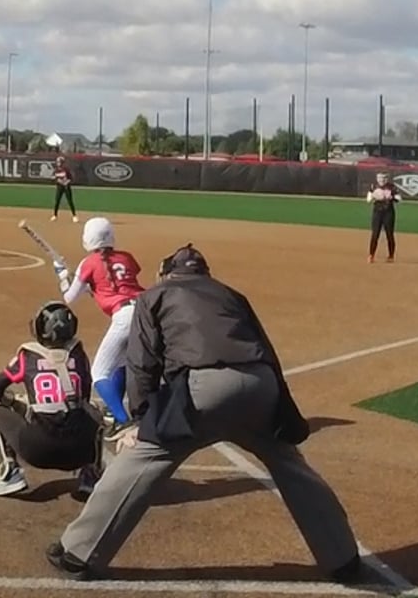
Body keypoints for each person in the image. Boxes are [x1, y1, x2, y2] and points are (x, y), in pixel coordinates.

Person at [47, 244, 374, 585]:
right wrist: (283, 414)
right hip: (260, 385)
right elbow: (267, 352)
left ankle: (78, 553)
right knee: (291, 465)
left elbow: (142, 362)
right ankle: (343, 559)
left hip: (203, 391)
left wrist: (142, 421)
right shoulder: (231, 295)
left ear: (167, 273)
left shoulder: (155, 296)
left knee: (143, 459)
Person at [0, 301, 105, 501]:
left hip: (38, 451)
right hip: (78, 453)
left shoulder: (28, 355)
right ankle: (91, 475)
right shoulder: (79, 354)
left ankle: (9, 474)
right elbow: (84, 399)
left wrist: (16, 404)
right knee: (93, 409)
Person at [58, 217, 144, 431]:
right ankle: (114, 411)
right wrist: (88, 284)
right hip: (146, 313)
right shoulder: (126, 258)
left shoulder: (88, 263)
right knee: (122, 363)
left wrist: (62, 276)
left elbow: (69, 298)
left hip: (125, 316)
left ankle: (123, 422)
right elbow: (115, 283)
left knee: (99, 373)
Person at [365, 172, 400, 262]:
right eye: (380, 178)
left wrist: (391, 197)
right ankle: (371, 255)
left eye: (384, 178)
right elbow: (368, 199)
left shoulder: (392, 187)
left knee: (389, 234)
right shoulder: (374, 187)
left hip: (388, 212)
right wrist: (374, 196)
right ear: (377, 179)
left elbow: (399, 198)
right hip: (377, 212)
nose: (382, 180)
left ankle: (391, 256)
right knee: (375, 234)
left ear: (387, 179)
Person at [50, 156, 78, 221]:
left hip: (66, 187)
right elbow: (53, 177)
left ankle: (74, 216)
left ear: (62, 162)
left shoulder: (66, 170)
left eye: (59, 162)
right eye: (57, 162)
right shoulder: (56, 170)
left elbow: (71, 178)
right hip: (59, 187)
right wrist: (56, 179)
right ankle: (55, 215)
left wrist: (66, 182)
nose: (58, 163)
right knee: (57, 201)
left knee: (70, 201)